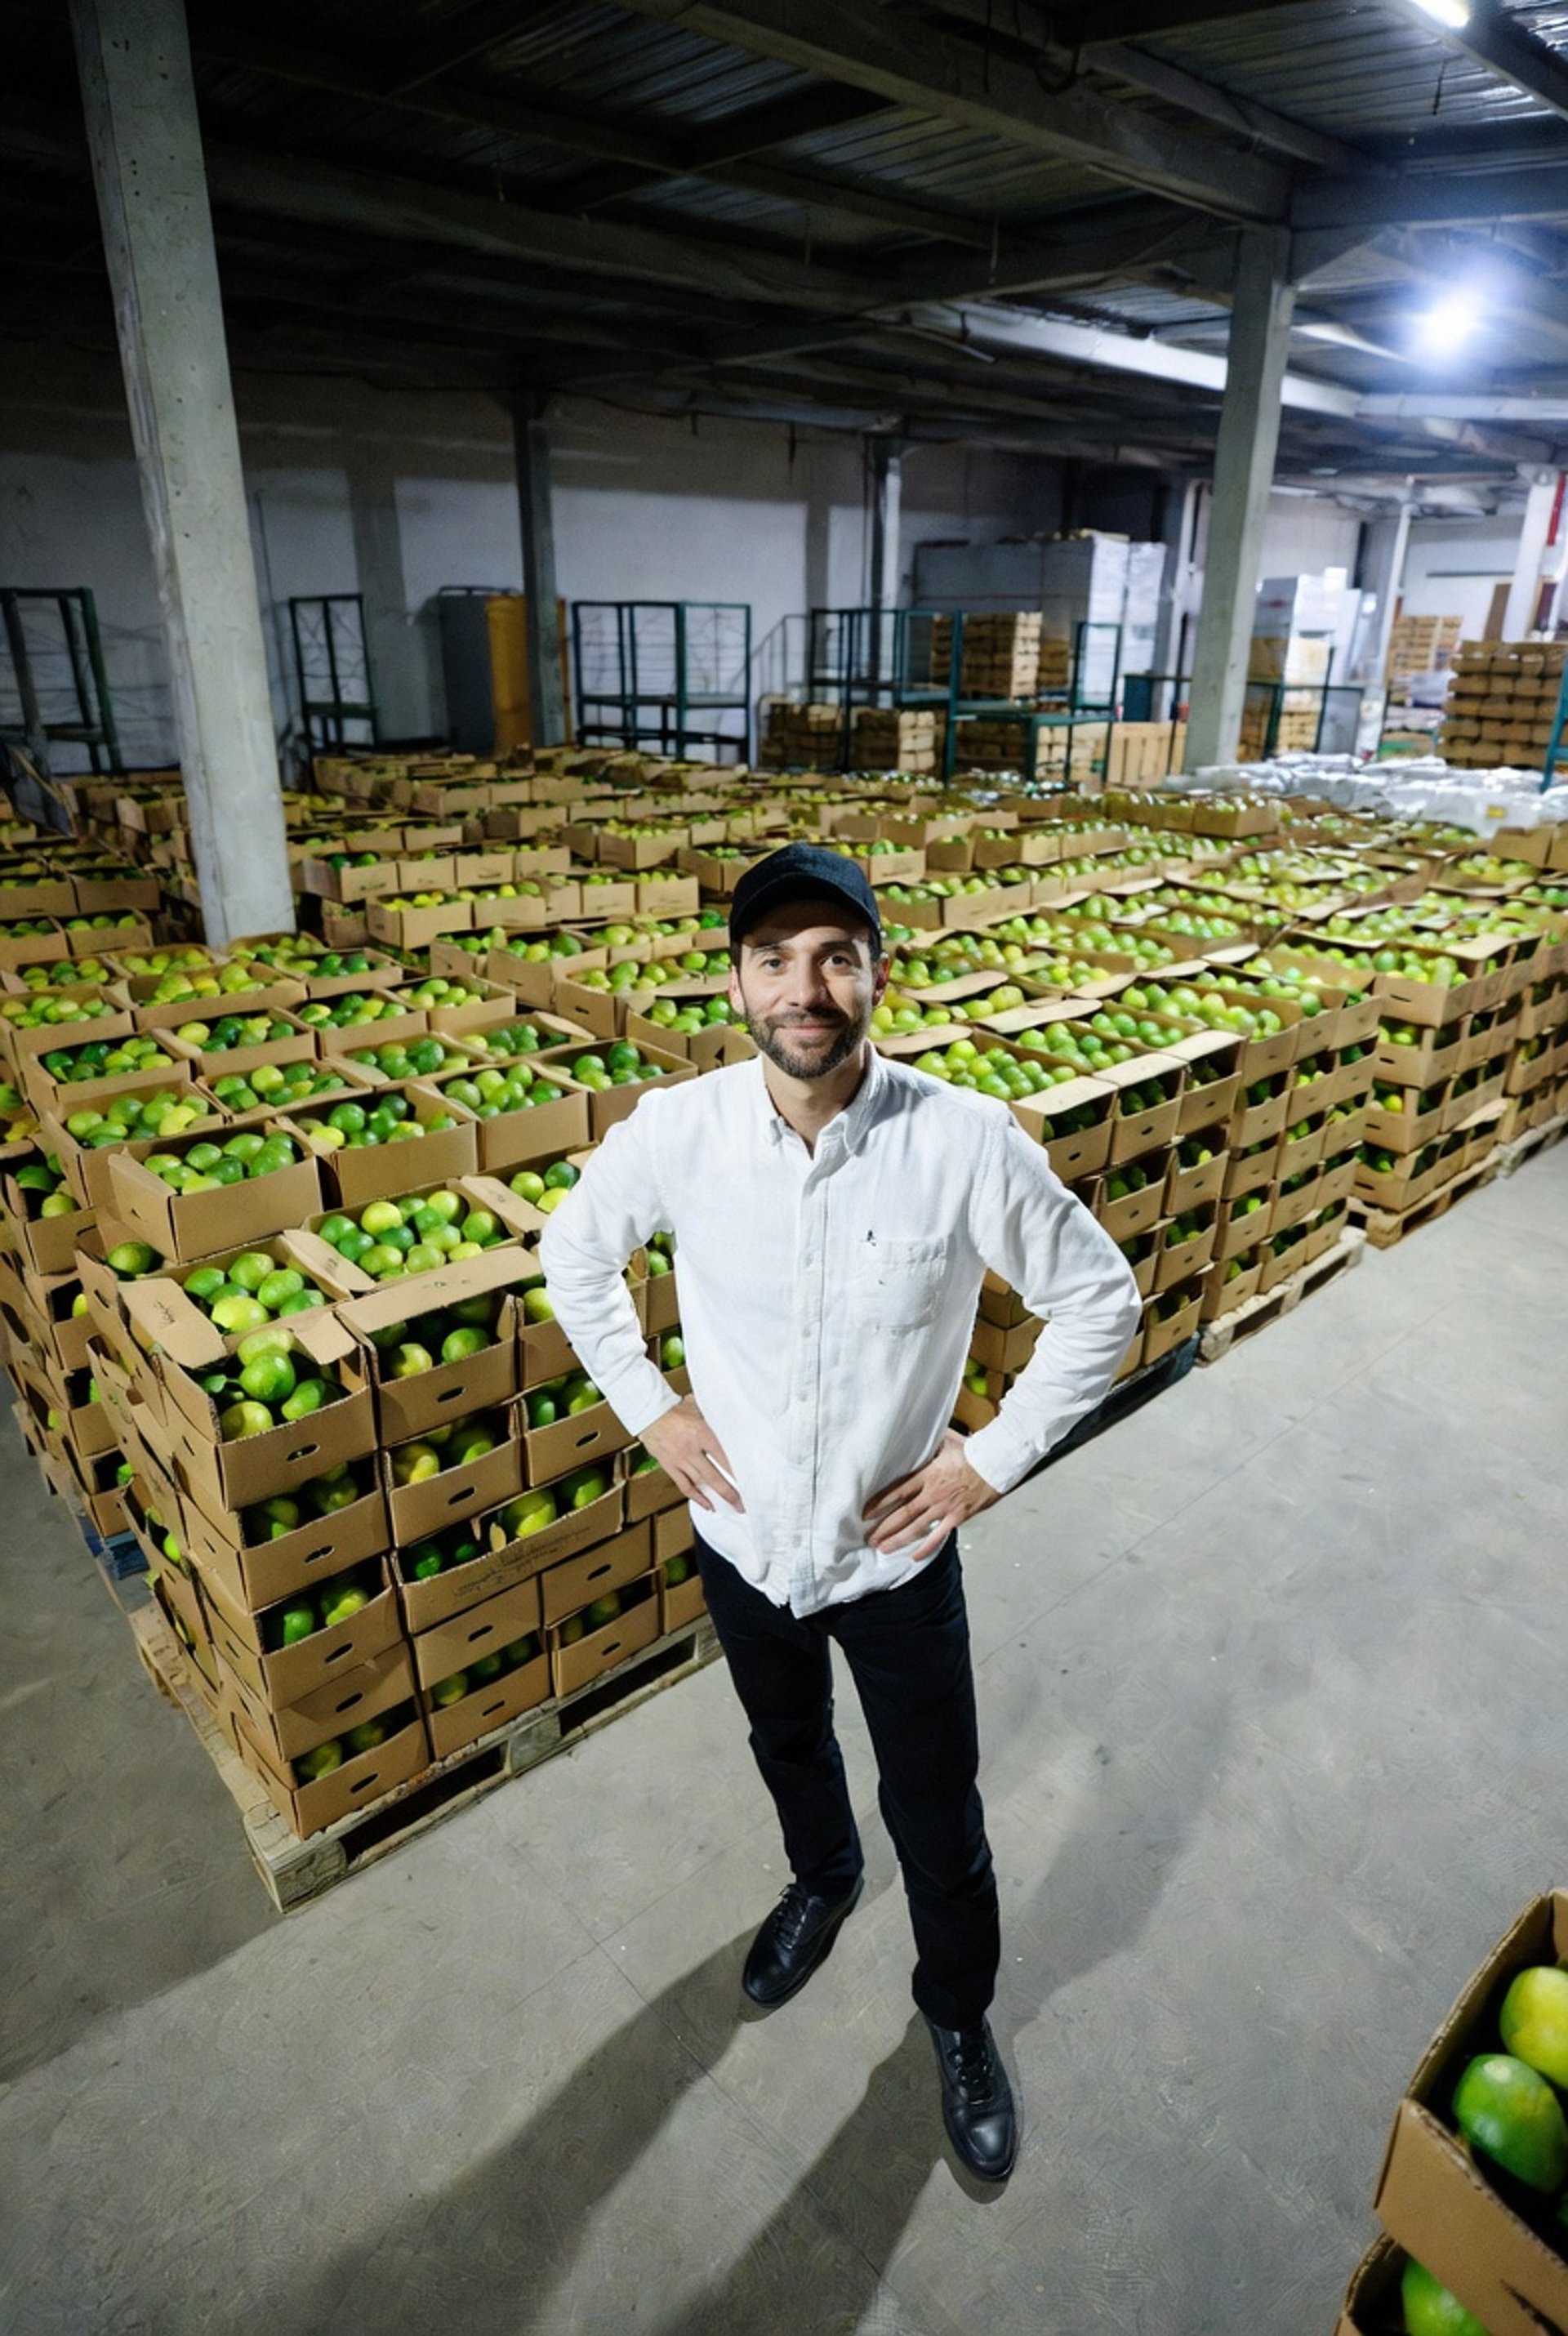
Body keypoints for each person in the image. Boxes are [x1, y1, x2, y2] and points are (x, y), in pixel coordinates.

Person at [540, 841, 1142, 2182]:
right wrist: (652, 1410)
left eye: (834, 957)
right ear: (738, 981)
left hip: (894, 1563)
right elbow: (572, 1255)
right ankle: (820, 1877)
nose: (804, 987)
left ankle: (961, 2012)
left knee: (937, 1806)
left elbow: (1103, 1301)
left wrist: (988, 1463)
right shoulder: (676, 1136)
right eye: (774, 960)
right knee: (786, 1739)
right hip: (745, 1543)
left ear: (879, 973)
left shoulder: (963, 1142)